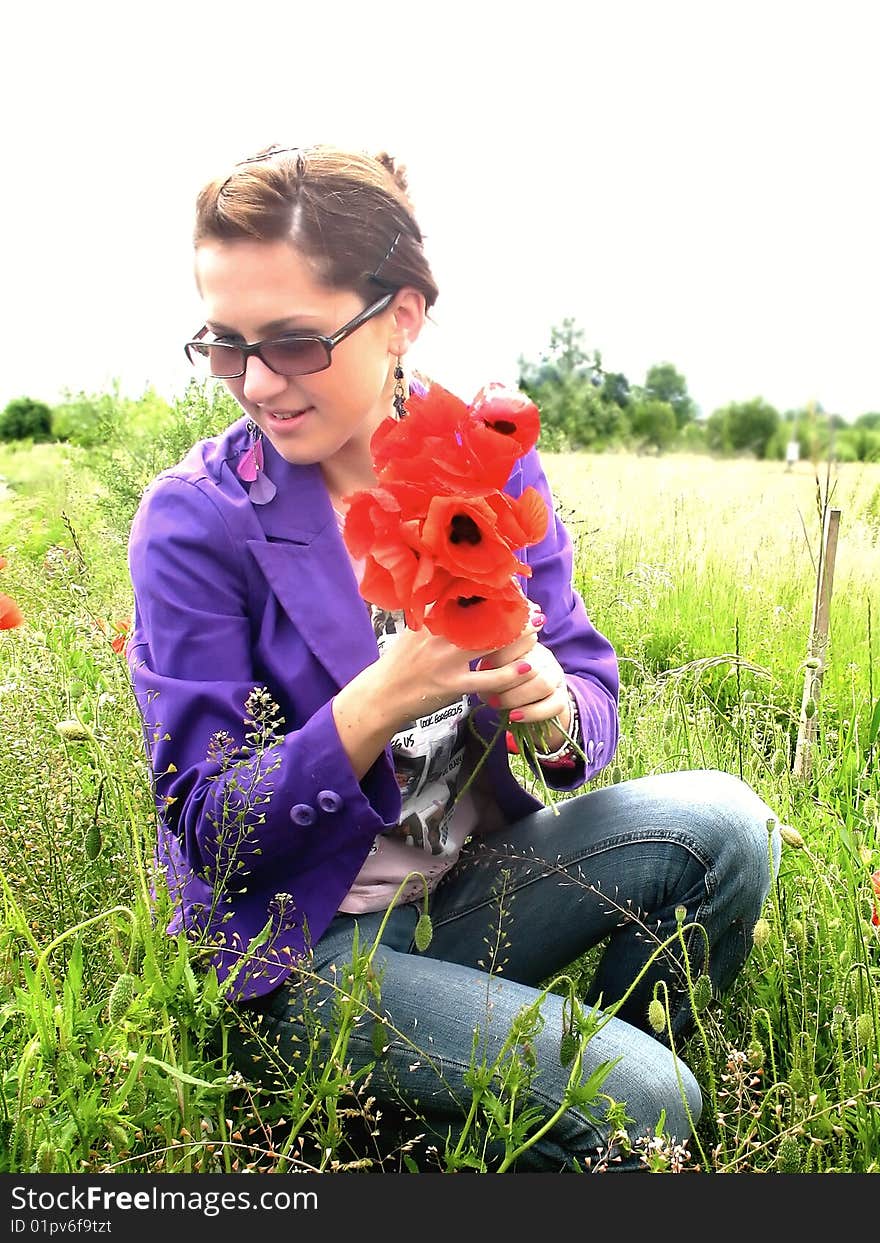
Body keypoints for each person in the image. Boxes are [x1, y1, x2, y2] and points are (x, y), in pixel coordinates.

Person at [126, 143, 781, 1172]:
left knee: (727, 827)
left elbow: (582, 680)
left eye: (293, 342)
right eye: (224, 344)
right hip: (299, 952)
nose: (254, 383)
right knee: (648, 1099)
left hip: (461, 894)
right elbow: (211, 834)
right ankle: (563, 1105)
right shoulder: (197, 522)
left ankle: (545, 1112)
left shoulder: (484, 455)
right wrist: (379, 699)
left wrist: (554, 712)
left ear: (400, 315)